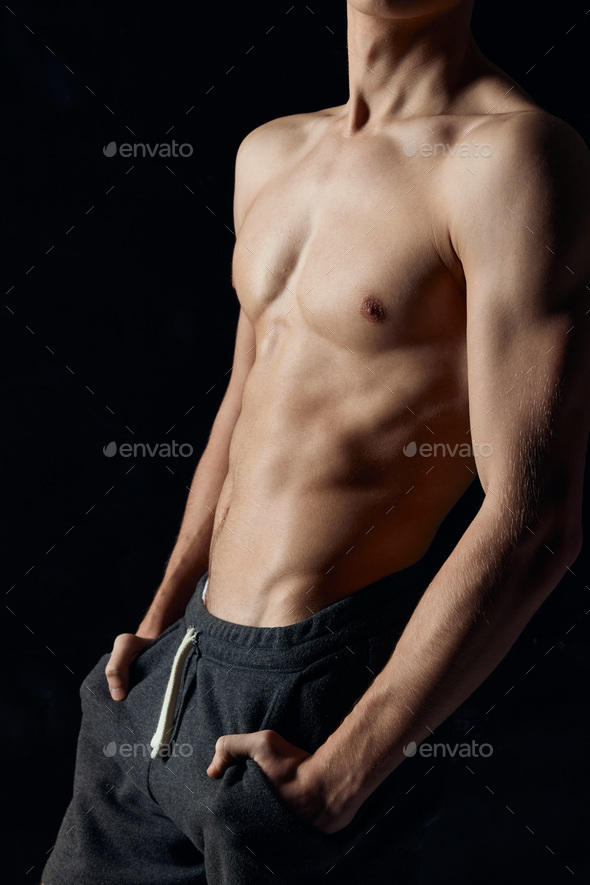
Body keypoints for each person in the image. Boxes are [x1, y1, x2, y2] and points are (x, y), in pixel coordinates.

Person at [43, 1, 590, 883]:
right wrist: (160, 617)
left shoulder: (511, 159)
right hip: (170, 676)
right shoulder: (270, 152)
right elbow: (244, 402)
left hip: (312, 707)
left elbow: (535, 517)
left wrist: (341, 777)